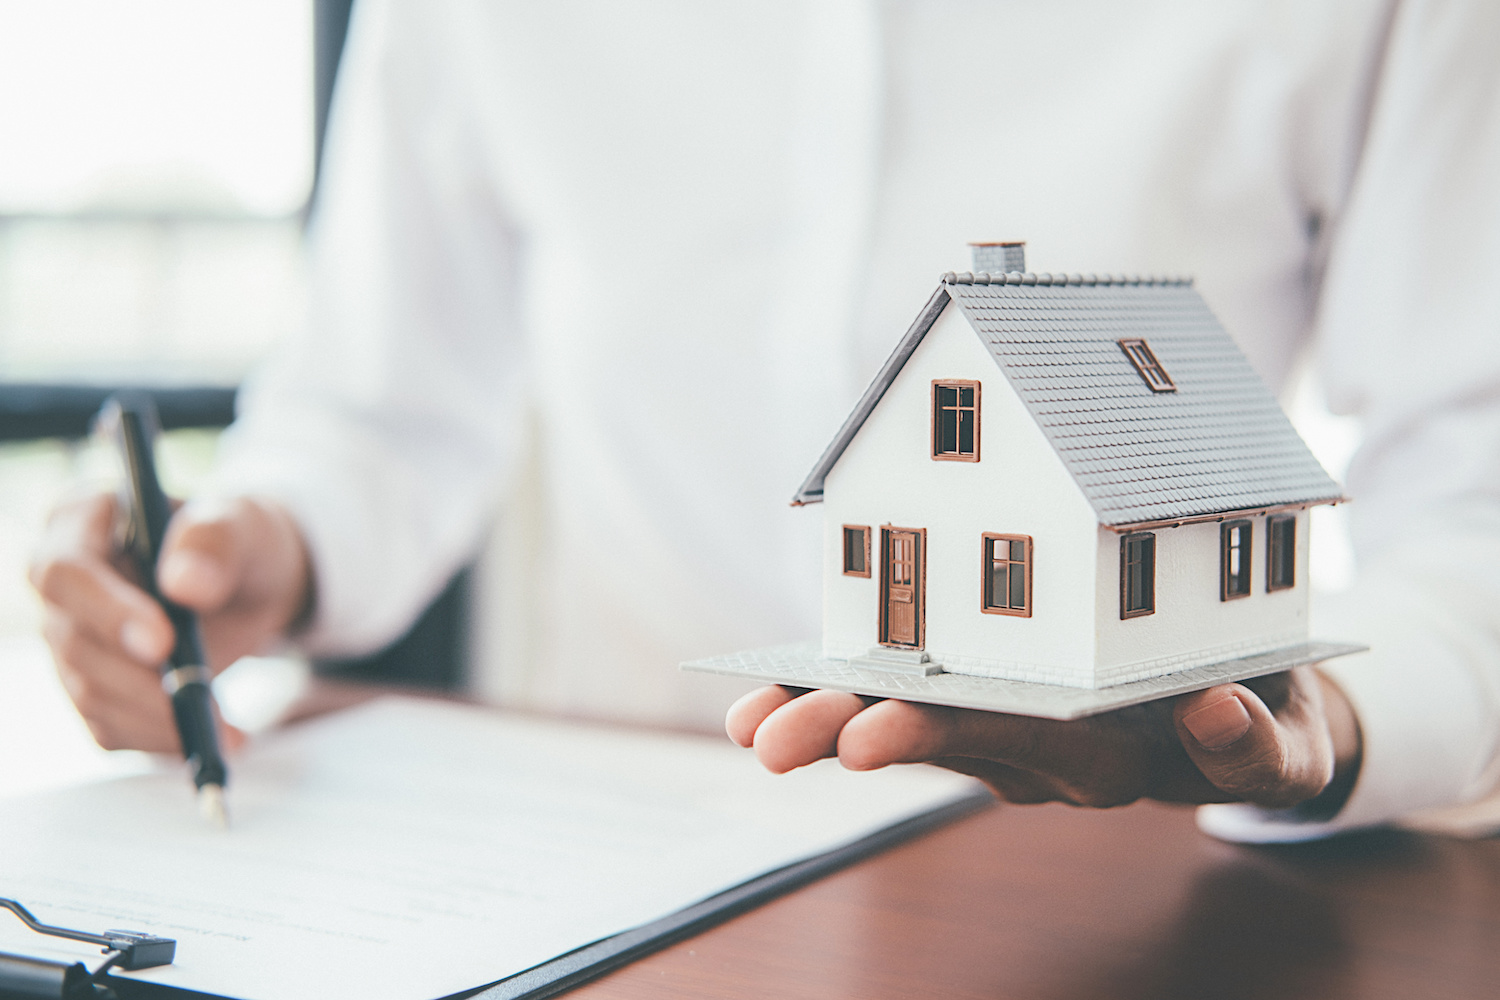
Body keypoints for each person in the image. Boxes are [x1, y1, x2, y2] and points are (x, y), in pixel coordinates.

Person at [28, 1, 1500, 841]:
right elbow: (379, 411)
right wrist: (256, 545)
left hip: (1133, 888)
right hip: (597, 865)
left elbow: (1475, 481)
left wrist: (1328, 720)